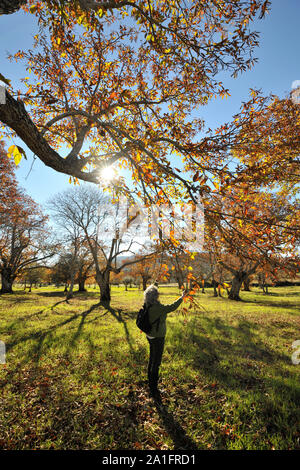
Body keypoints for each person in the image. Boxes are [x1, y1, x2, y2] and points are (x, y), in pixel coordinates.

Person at [143, 284, 188, 401]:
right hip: (158, 337)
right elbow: (172, 307)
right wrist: (182, 297)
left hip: (150, 335)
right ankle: (154, 388)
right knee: (156, 362)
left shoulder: (147, 305)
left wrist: (154, 284)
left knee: (152, 358)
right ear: (156, 296)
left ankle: (150, 382)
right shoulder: (158, 308)